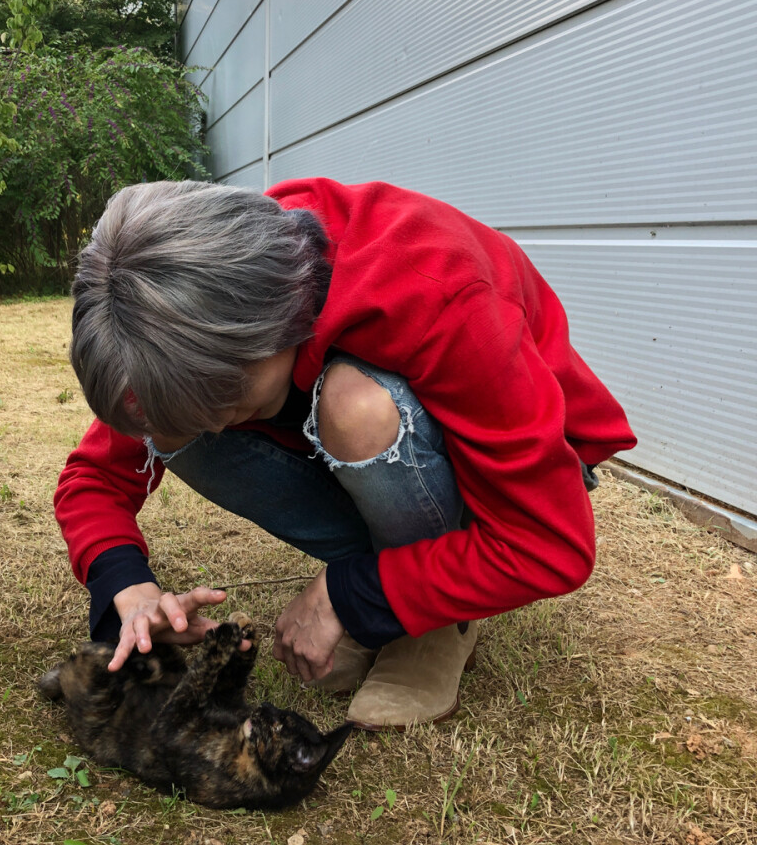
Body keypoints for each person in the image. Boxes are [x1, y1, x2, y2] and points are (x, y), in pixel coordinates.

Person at [54, 177, 636, 729]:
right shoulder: (188, 312)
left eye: (223, 401)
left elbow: (548, 546)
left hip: (506, 478)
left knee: (354, 407)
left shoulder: (434, 285)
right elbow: (95, 479)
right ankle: (402, 575)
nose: (213, 426)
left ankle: (433, 620)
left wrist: (347, 593)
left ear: (262, 328)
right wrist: (128, 589)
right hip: (370, 445)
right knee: (175, 429)